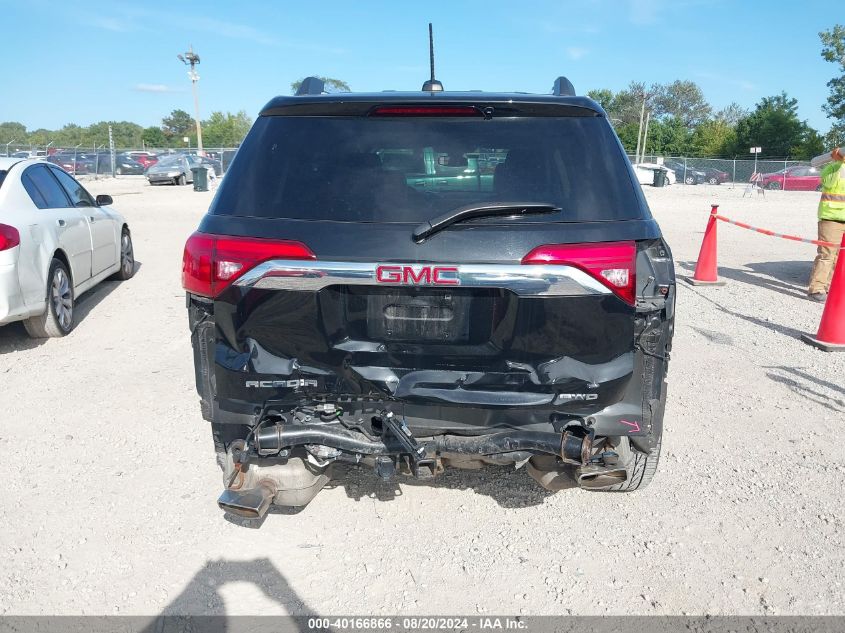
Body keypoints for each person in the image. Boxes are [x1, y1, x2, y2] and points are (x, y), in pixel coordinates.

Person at [808, 147, 845, 302]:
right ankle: (816, 289)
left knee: (838, 256)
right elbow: (829, 182)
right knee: (827, 255)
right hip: (831, 218)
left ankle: (828, 286)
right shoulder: (833, 168)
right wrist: (839, 162)